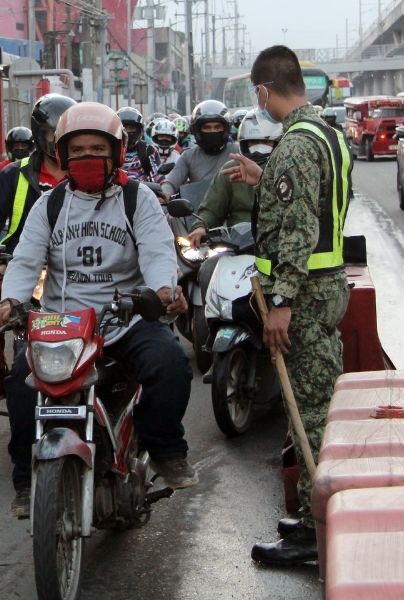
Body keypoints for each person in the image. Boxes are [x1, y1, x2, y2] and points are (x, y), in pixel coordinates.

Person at [0, 102, 196, 518]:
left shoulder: (139, 201)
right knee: (18, 382)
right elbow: (26, 260)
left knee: (170, 361)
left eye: (97, 149)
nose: (87, 158)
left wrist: (161, 291)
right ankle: (24, 478)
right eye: (78, 150)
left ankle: (166, 450)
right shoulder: (49, 205)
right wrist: (11, 301)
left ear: (117, 152)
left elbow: (158, 253)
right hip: (62, 324)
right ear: (63, 155)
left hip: (126, 317)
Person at [220, 45, 351, 567]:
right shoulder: (327, 135)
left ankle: (320, 536)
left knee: (312, 415)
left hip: (306, 294)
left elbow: (297, 231)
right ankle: (312, 518)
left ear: (263, 91)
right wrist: (263, 179)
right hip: (328, 286)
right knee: (316, 407)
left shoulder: (296, 145)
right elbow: (317, 204)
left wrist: (280, 303)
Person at [0, 93, 75, 400]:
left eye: (66, 135)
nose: (59, 141)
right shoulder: (14, 173)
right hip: (19, 261)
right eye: (53, 135)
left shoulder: (85, 171)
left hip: (75, 264)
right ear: (40, 135)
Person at [186, 109, 283, 249]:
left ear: (276, 143)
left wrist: (264, 182)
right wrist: (201, 227)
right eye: (254, 142)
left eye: (265, 142)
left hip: (278, 243)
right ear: (244, 143)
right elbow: (212, 208)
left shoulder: (286, 169)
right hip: (237, 245)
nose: (258, 148)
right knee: (207, 269)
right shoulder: (231, 169)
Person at [161, 100, 240, 198]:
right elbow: (171, 181)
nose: (212, 131)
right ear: (197, 130)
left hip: (234, 210)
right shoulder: (188, 156)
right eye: (207, 127)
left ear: (226, 129)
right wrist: (165, 193)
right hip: (199, 211)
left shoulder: (238, 153)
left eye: (217, 127)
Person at [117, 106, 163, 182]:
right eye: (124, 128)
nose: (127, 132)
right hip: (114, 192)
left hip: (142, 191)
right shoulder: (110, 149)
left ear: (139, 130)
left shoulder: (148, 150)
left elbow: (157, 174)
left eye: (131, 128)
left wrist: (165, 186)